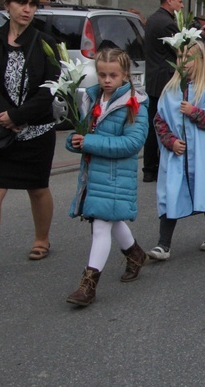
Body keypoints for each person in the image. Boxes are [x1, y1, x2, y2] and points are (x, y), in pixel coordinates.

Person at [65, 48, 149, 306]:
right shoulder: (92, 99)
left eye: (113, 75)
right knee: (110, 220)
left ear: (125, 74)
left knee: (101, 225)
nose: (107, 80)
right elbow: (82, 133)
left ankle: (88, 286)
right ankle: (135, 254)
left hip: (115, 175)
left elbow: (132, 144)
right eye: (102, 74)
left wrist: (89, 142)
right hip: (94, 173)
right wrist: (75, 141)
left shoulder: (135, 104)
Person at [148, 40, 205, 260]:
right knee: (171, 193)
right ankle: (163, 244)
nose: (183, 63)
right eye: (179, 58)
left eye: (188, 58)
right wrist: (170, 142)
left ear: (199, 61)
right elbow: (160, 121)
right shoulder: (170, 90)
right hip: (177, 155)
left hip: (203, 155)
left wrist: (194, 112)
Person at [0, 0, 60, 260]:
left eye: (32, 4)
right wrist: (6, 116)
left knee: (37, 188)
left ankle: (41, 239)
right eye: (21, 3)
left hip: (37, 129)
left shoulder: (44, 41)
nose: (27, 9)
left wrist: (19, 116)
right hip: (1, 129)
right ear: (7, 5)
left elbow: (50, 86)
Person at [142, 0, 185, 183]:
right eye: (180, 2)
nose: (182, 6)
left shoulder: (152, 19)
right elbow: (181, 49)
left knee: (153, 123)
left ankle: (149, 167)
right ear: (169, 1)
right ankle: (158, 165)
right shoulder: (167, 23)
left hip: (152, 79)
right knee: (164, 123)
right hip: (165, 81)